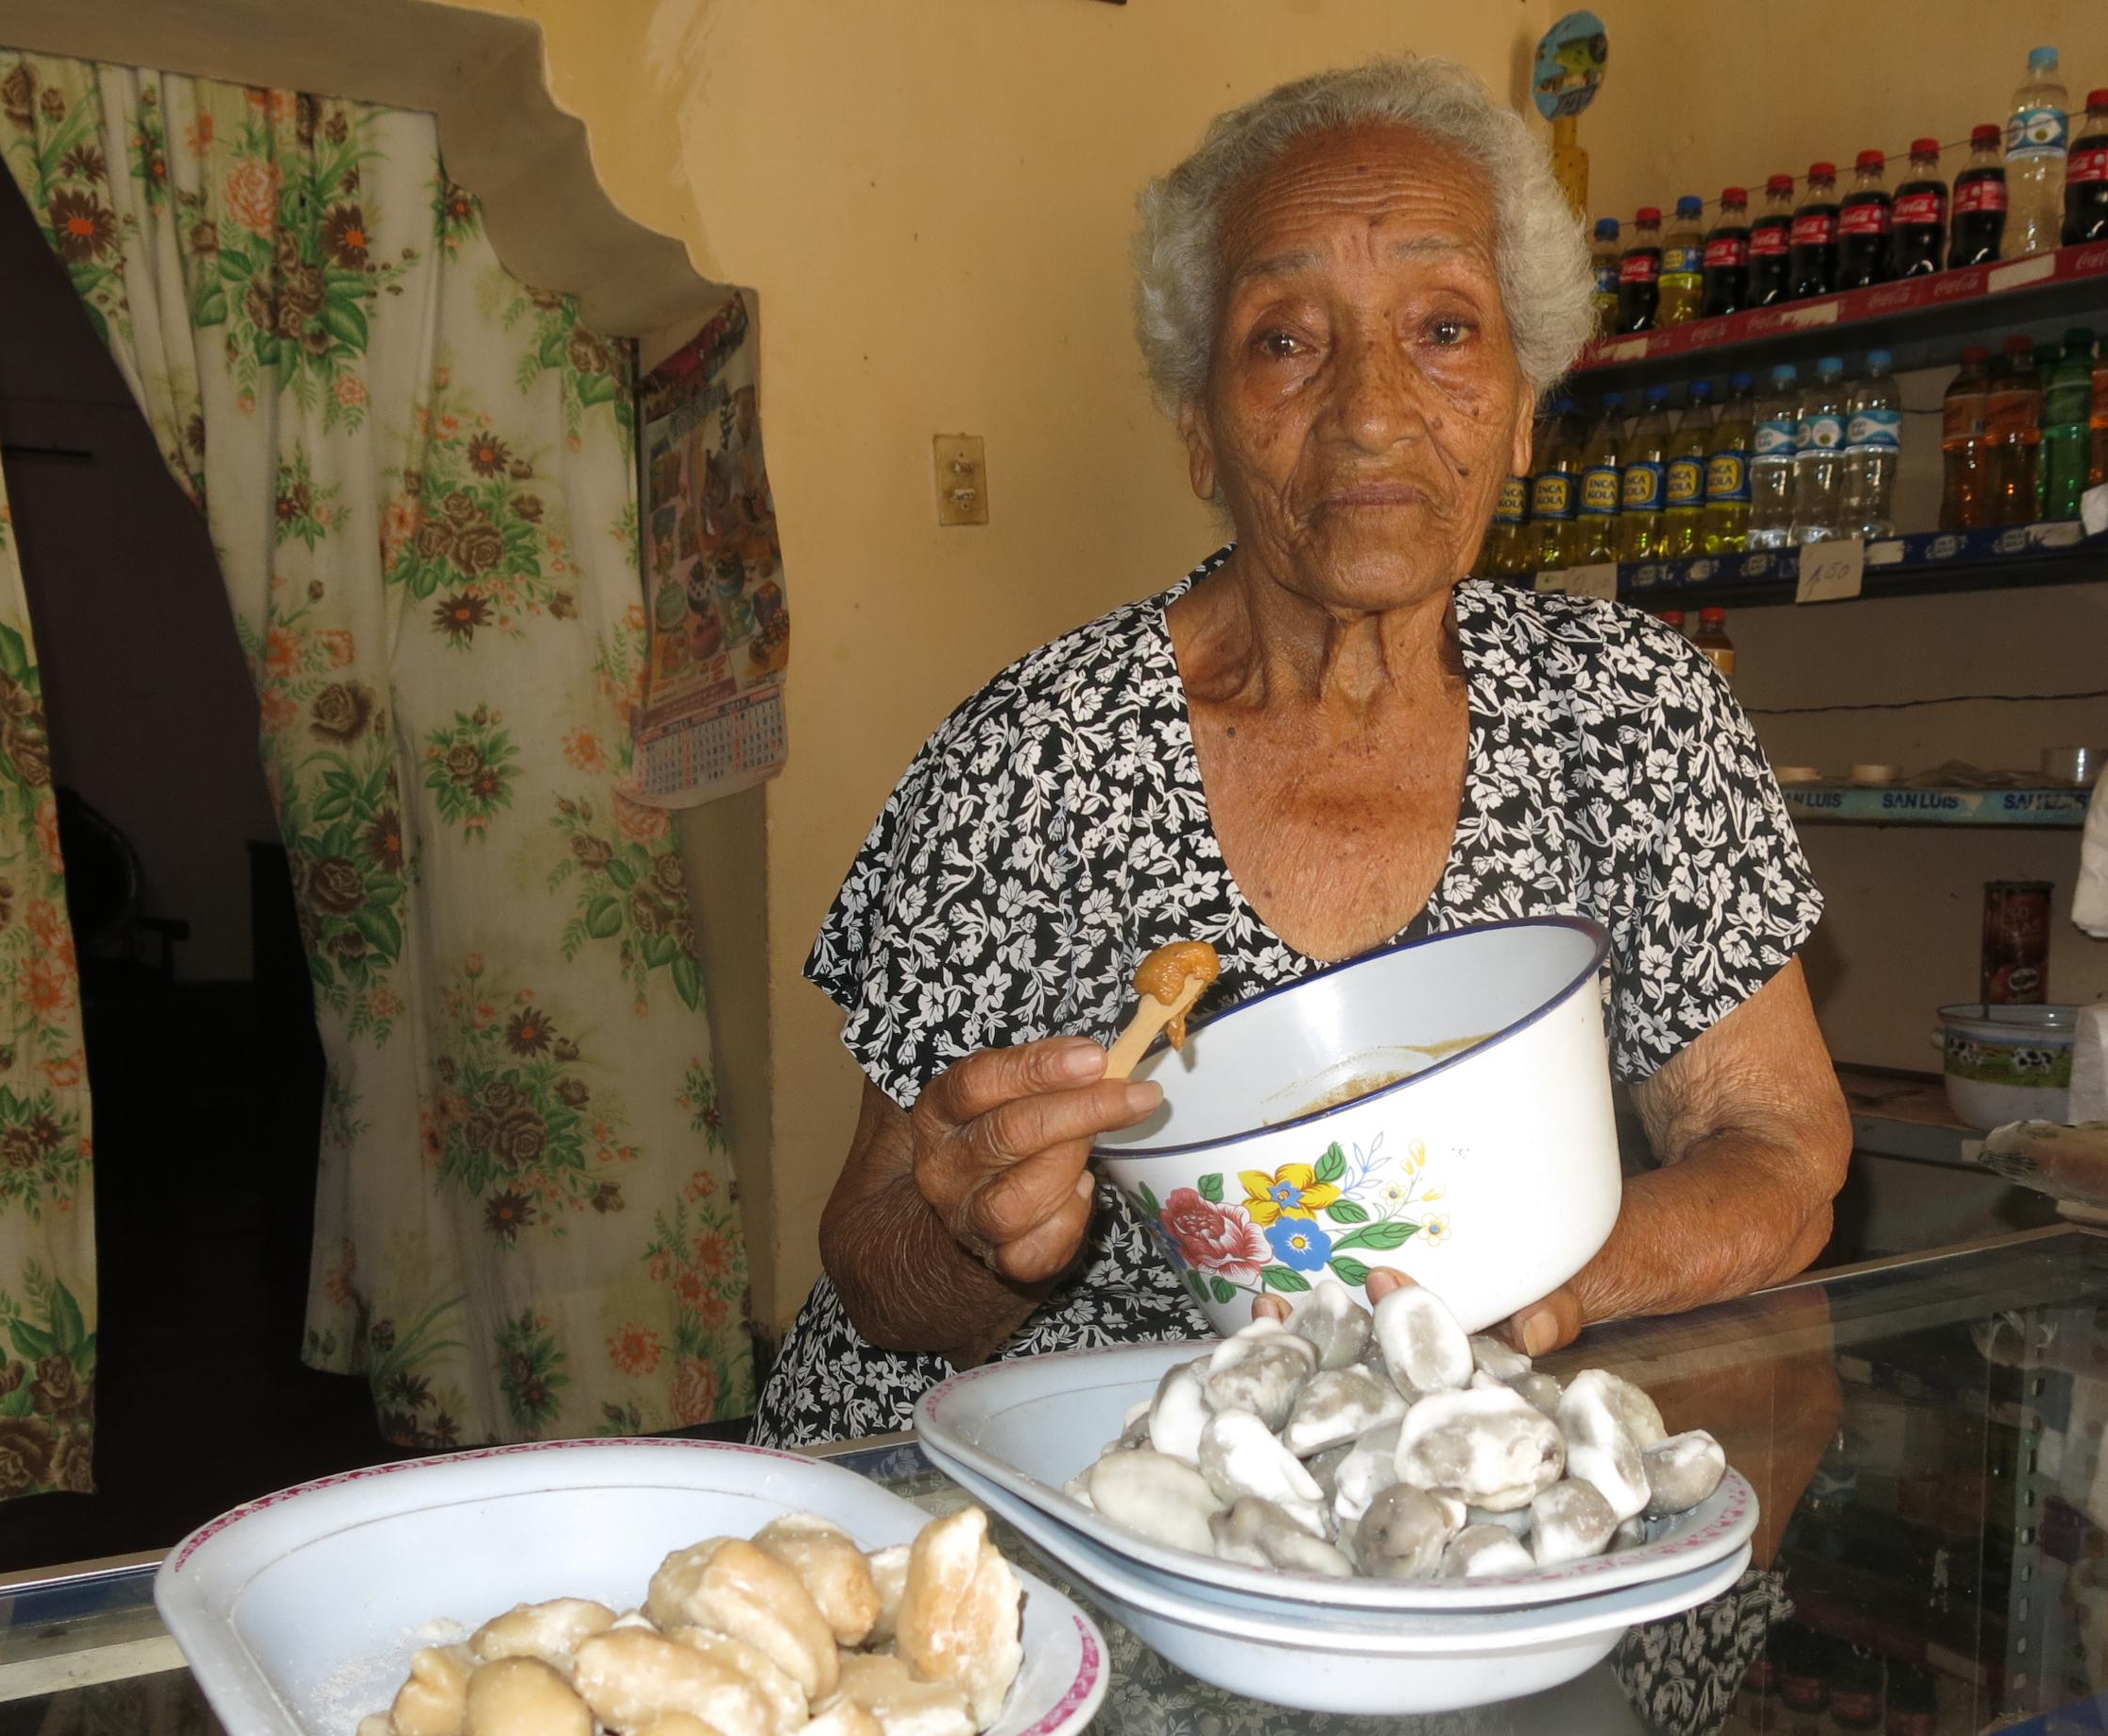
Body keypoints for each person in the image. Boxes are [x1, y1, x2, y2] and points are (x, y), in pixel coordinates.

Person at [752, 56, 1851, 1450]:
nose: (1372, 407)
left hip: (1435, 1485)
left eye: (1446, 329)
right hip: (1046, 1493)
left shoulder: (1636, 714)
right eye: (1285, 339)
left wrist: (1533, 1298)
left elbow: (1784, 1153)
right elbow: (875, 1265)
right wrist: (977, 1237)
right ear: (1200, 429)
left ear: (1525, 408)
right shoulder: (1030, 759)